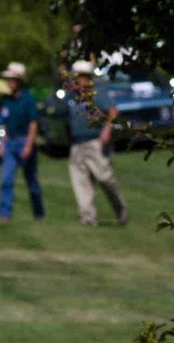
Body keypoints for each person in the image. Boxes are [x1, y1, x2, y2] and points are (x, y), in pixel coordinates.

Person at [63, 61, 127, 226]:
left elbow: (113, 111)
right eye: (77, 77)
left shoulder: (97, 93)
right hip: (77, 143)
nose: (79, 80)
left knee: (105, 178)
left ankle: (120, 209)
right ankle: (87, 217)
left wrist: (106, 130)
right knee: (81, 182)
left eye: (83, 77)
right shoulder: (73, 96)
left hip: (95, 142)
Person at [0, 63, 44, 223]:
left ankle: (39, 214)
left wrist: (29, 144)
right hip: (9, 143)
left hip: (24, 141)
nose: (9, 82)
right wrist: (1, 144)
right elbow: (3, 125)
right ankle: (4, 214)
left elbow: (33, 124)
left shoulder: (28, 99)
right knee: (6, 180)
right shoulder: (6, 100)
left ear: (19, 81)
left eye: (12, 79)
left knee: (32, 182)